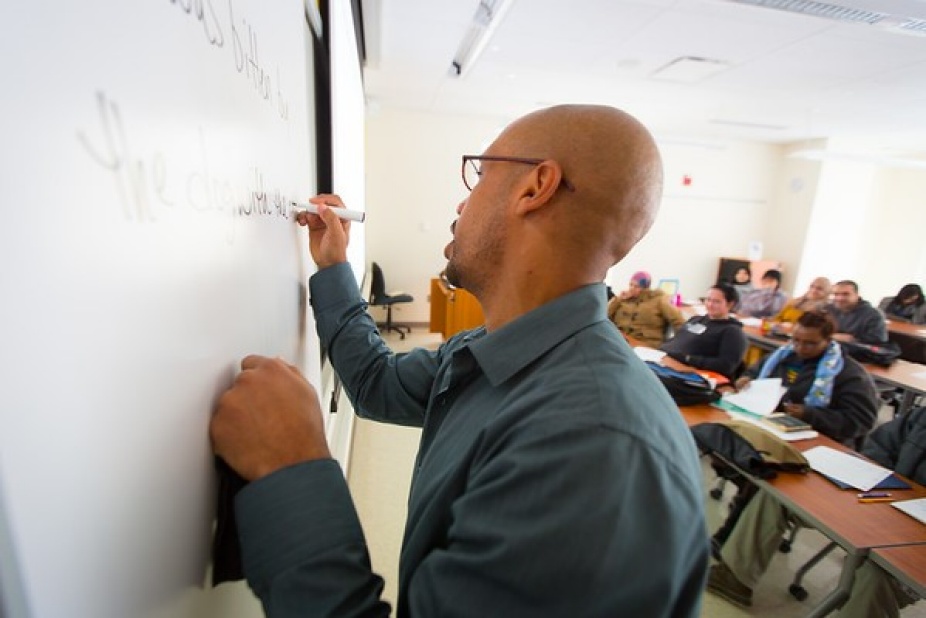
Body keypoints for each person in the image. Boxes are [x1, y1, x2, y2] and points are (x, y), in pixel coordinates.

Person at [210, 105, 709, 617]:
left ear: (535, 187)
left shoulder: (593, 445)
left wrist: (293, 471)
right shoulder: (496, 351)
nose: (461, 200)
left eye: (479, 174)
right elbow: (376, 383)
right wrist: (334, 266)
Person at [707, 406, 922, 614]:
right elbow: (879, 446)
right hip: (881, 502)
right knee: (784, 495)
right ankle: (735, 576)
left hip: (916, 536)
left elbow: (860, 419)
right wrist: (878, 480)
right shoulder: (920, 417)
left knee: (881, 573)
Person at [733, 310, 879, 447]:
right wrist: (746, 379)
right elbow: (754, 372)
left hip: (819, 441)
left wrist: (809, 414)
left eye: (810, 343)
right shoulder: (781, 357)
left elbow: (861, 420)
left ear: (828, 340)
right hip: (770, 427)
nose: (800, 348)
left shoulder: (848, 373)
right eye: (795, 340)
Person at [660, 283, 748, 380]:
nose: (710, 305)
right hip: (666, 361)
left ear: (730, 304)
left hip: (690, 374)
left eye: (716, 302)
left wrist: (688, 358)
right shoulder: (696, 320)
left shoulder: (732, 331)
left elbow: (726, 366)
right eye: (708, 300)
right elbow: (677, 339)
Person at [607, 270, 685, 347]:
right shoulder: (624, 299)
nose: (632, 288)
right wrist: (618, 299)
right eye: (631, 285)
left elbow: (678, 321)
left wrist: (676, 346)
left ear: (645, 287)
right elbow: (606, 316)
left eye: (636, 286)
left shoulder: (659, 300)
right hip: (621, 340)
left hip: (645, 344)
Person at [825, 280, 888, 345]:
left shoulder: (873, 315)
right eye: (836, 294)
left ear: (857, 295)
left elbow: (879, 341)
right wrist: (833, 336)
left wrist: (854, 339)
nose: (840, 298)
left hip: (854, 351)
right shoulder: (828, 308)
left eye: (845, 294)